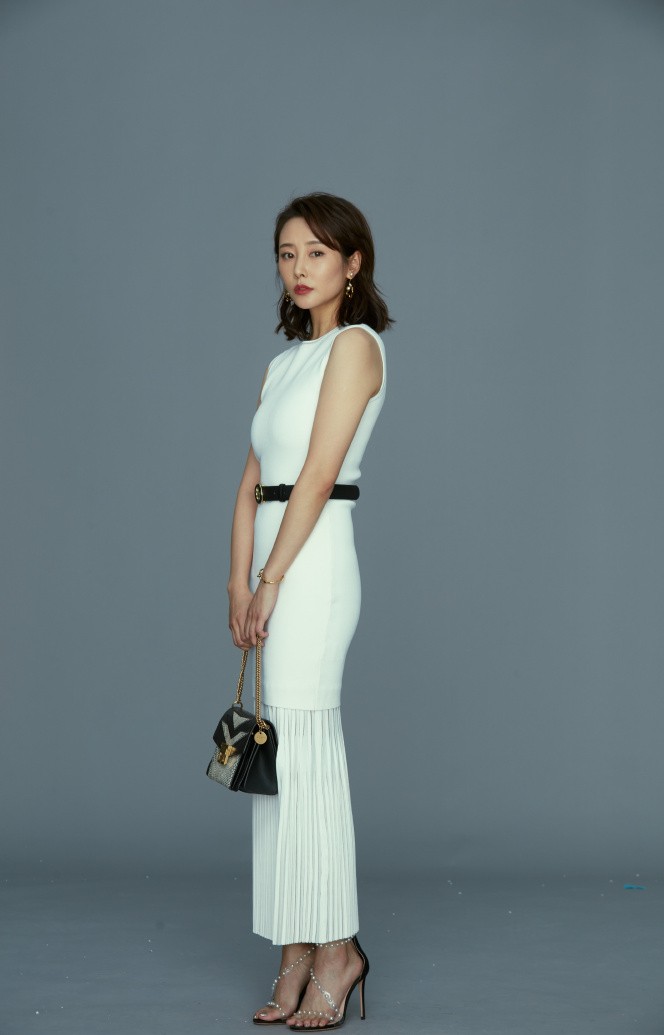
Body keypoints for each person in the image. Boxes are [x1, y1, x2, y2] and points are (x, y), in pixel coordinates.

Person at [227, 192, 392, 1030]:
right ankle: (294, 943)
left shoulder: (356, 348)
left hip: (314, 564)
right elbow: (252, 480)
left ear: (352, 263)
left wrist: (272, 577)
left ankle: (337, 949)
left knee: (305, 745)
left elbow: (318, 476)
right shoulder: (281, 364)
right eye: (287, 253)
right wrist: (238, 581)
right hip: (271, 564)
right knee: (274, 755)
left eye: (317, 253)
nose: (298, 268)